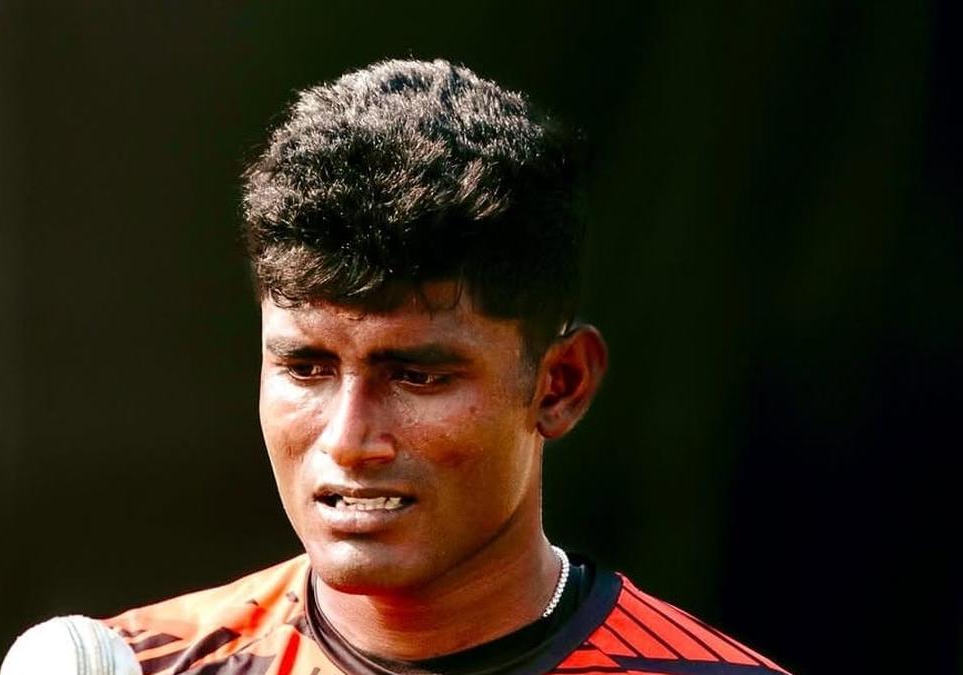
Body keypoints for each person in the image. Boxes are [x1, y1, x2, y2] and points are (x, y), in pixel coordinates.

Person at [104, 59, 789, 675]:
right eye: (307, 368)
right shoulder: (133, 665)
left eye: (418, 376)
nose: (348, 440)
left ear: (560, 385)